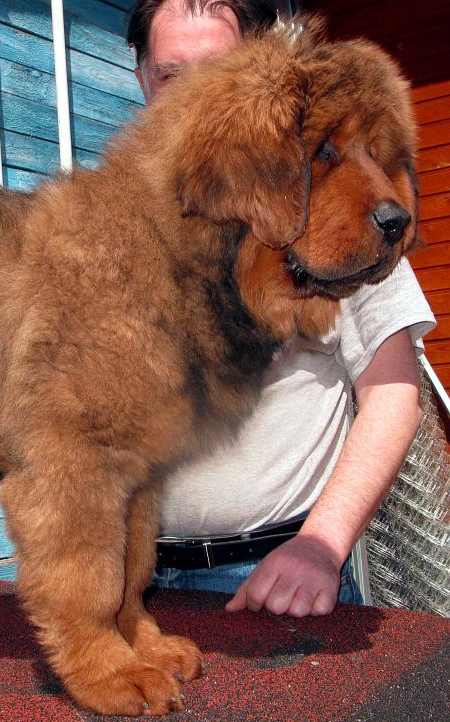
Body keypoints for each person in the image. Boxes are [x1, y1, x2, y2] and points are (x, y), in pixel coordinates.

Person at [127, 0, 437, 617]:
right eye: (171, 75)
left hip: (275, 575)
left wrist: (321, 545)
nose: (194, 96)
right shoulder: (112, 219)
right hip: (130, 577)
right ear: (142, 76)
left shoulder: (337, 199)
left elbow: (393, 392)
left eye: (218, 70)